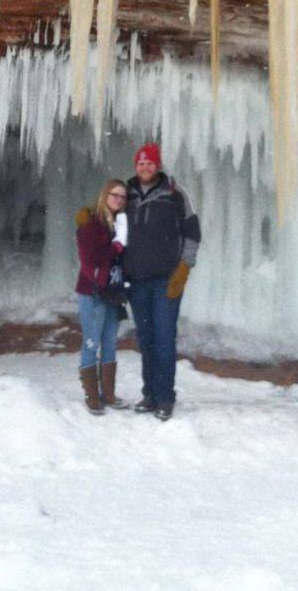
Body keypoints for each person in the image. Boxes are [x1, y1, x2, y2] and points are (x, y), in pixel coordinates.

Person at [123, 142, 201, 421]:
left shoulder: (174, 193)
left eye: (150, 163)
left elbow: (192, 230)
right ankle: (149, 394)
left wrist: (184, 267)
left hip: (166, 280)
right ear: (136, 166)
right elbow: (109, 223)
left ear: (158, 166)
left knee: (165, 338)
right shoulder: (127, 193)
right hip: (136, 280)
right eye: (141, 163)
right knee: (145, 339)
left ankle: (166, 397)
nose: (145, 167)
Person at [75, 178, 130, 415]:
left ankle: (108, 393)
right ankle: (91, 395)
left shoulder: (118, 223)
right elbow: (90, 259)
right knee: (91, 341)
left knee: (109, 342)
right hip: (93, 292)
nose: (118, 199)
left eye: (122, 196)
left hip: (113, 293)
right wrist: (116, 247)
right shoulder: (93, 223)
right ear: (104, 195)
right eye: (114, 195)